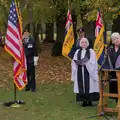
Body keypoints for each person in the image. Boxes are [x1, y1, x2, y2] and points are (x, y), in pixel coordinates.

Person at [71, 37, 99, 107]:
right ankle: (83, 101)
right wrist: (76, 62)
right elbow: (74, 61)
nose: (84, 44)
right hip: (80, 71)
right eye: (82, 42)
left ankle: (90, 101)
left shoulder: (91, 51)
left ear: (87, 43)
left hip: (89, 72)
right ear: (80, 43)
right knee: (81, 85)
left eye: (85, 42)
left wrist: (87, 63)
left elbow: (93, 62)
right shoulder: (77, 52)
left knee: (90, 85)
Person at [103, 32, 120, 102]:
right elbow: (106, 61)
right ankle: (117, 104)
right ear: (112, 41)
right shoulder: (110, 49)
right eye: (114, 39)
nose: (117, 40)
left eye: (118, 38)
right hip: (113, 74)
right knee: (115, 91)